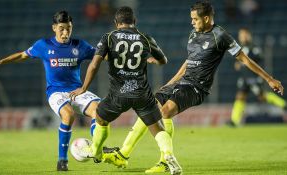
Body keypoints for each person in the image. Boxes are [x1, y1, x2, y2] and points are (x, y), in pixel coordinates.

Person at [101, 1, 284, 174]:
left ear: (206, 18)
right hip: (183, 82)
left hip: (197, 87)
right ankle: (125, 153)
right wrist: (171, 82)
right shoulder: (193, 33)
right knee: (150, 105)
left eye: (195, 19)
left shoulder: (220, 35)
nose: (192, 22)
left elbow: (244, 59)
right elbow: (189, 62)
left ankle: (159, 160)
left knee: (165, 111)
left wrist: (269, 79)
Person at [69, 6, 182, 175]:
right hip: (142, 94)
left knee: (100, 117)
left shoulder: (108, 37)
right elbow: (163, 60)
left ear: (116, 23)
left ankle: (96, 151)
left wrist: (84, 87)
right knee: (158, 129)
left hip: (118, 95)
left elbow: (94, 64)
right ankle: (168, 155)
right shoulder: (145, 38)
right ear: (134, 22)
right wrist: (151, 59)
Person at [0, 11, 100, 171]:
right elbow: (22, 55)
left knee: (99, 111)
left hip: (77, 90)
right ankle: (62, 160)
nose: (65, 32)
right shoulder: (44, 45)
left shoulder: (80, 46)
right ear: (54, 28)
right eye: (62, 28)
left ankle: (97, 149)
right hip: (56, 92)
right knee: (69, 115)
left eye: (69, 28)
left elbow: (101, 56)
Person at [230, 28, 286, 126]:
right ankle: (234, 121)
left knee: (262, 96)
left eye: (244, 35)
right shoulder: (240, 48)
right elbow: (240, 61)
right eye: (241, 35)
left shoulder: (253, 47)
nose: (242, 37)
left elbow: (258, 59)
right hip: (244, 78)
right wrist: (239, 64)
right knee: (240, 97)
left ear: (248, 35)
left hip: (253, 78)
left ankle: (283, 105)